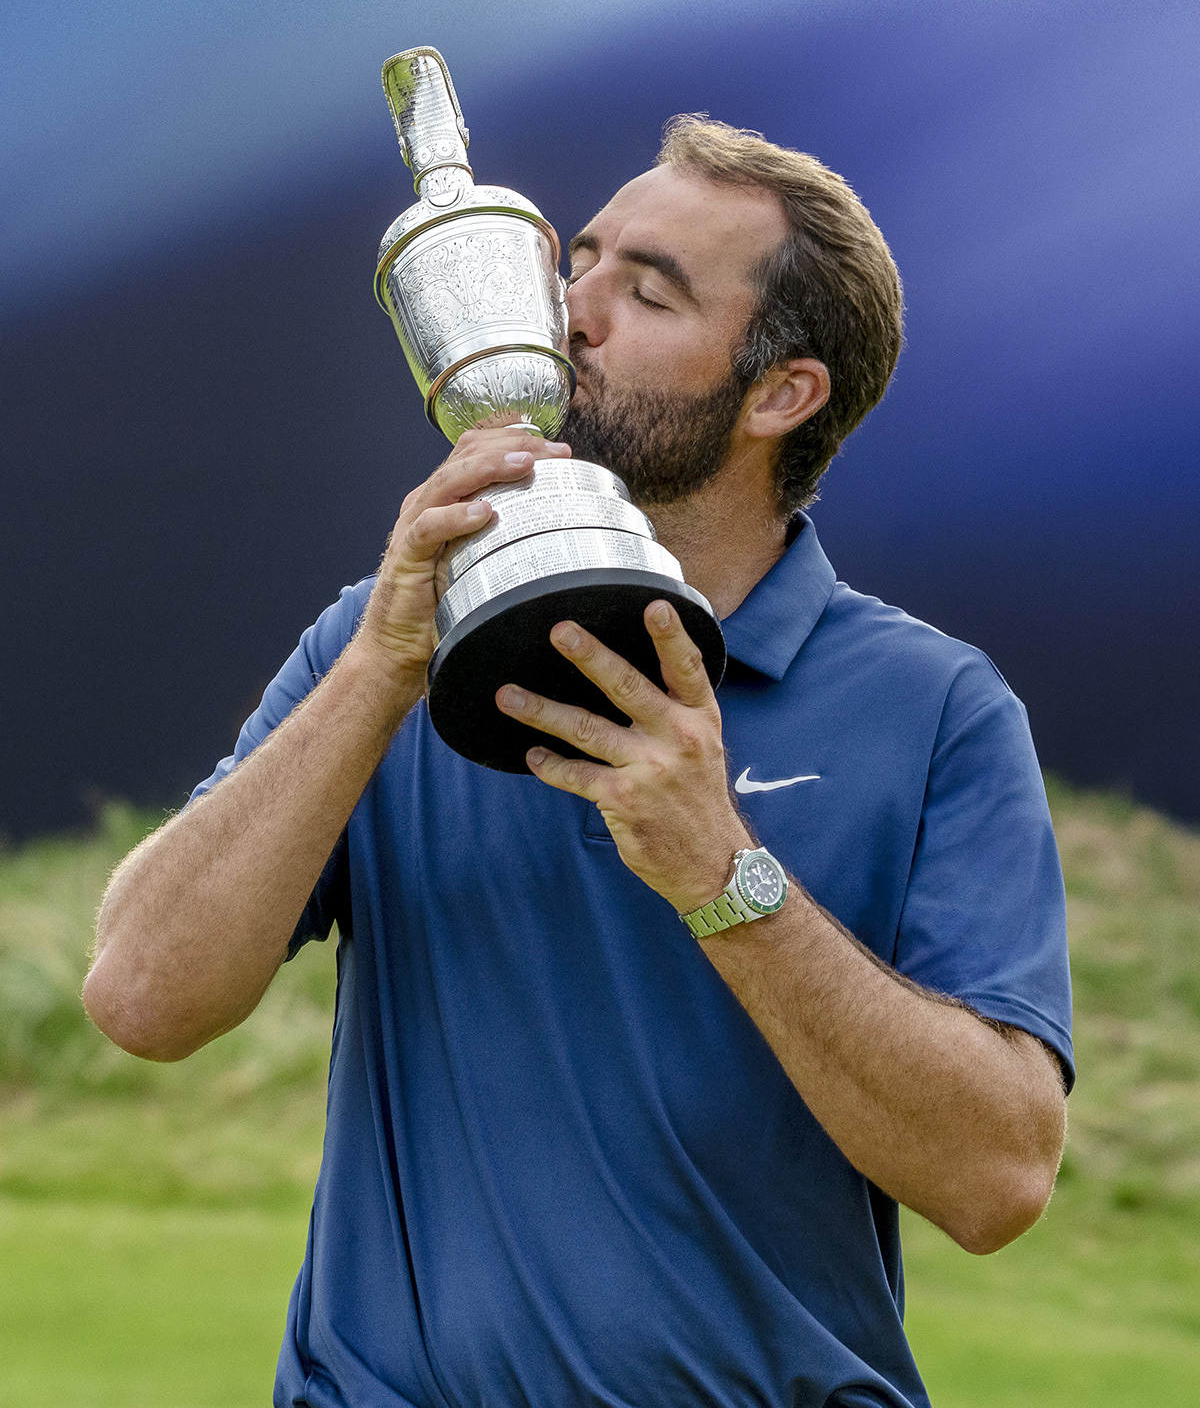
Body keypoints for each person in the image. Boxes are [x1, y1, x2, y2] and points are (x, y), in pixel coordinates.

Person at [84, 115, 1072, 1408]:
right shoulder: (379, 637)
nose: (571, 311)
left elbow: (995, 1179)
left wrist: (723, 873)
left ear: (782, 393)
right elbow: (144, 996)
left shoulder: (935, 706)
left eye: (645, 290)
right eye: (582, 261)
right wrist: (386, 663)